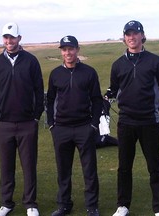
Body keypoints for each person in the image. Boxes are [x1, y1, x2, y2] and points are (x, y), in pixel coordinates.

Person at [106, 20, 159, 216]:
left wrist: (154, 106)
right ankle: (123, 205)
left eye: (135, 33)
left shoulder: (155, 62)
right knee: (124, 167)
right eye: (128, 34)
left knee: (154, 166)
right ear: (124, 37)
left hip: (149, 122)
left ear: (142, 36)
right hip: (126, 122)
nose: (131, 37)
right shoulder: (118, 64)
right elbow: (114, 89)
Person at [0, 22, 44, 216]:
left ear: (19, 38)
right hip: (3, 124)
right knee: (6, 166)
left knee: (29, 165)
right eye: (6, 37)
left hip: (27, 122)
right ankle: (7, 203)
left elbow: (39, 90)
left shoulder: (30, 60)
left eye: (12, 37)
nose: (9, 41)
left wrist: (36, 116)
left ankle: (30, 203)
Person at [46, 35, 103, 216]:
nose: (68, 52)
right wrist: (51, 125)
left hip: (84, 127)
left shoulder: (89, 72)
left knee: (89, 170)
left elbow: (96, 100)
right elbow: (50, 100)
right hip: (61, 129)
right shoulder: (55, 74)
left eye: (71, 48)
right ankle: (64, 204)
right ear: (61, 52)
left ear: (77, 49)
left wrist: (94, 125)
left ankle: (92, 206)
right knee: (63, 170)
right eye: (64, 49)